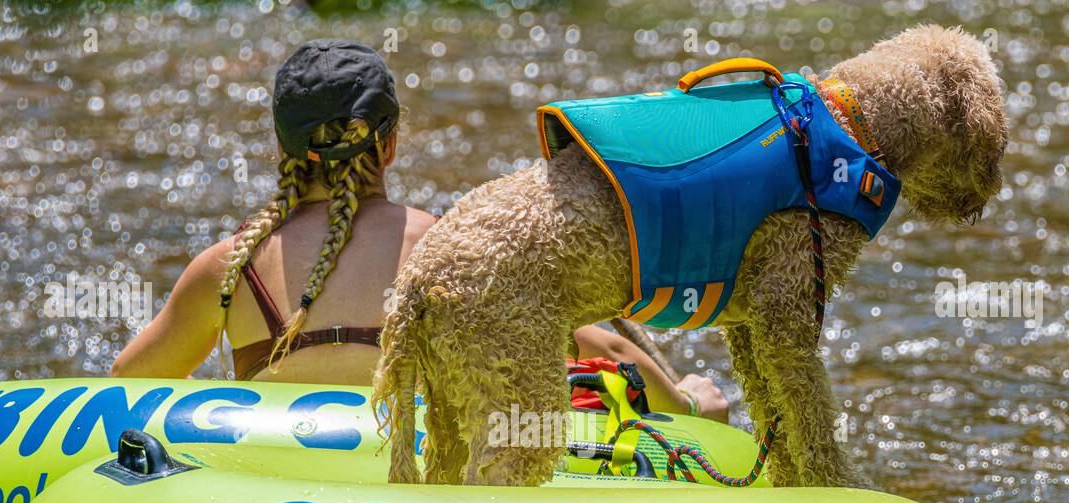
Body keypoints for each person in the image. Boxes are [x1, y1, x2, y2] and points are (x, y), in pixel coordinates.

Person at [112, 39, 727, 422]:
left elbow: (122, 391)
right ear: (391, 144)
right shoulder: (455, 246)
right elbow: (611, 352)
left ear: (283, 148)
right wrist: (691, 402)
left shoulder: (229, 268)